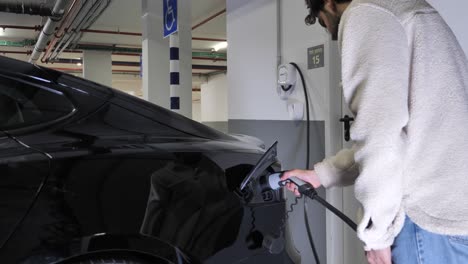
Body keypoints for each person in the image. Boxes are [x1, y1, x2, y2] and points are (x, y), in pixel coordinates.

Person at [281, 0, 468, 263]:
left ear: (328, 4)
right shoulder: (413, 11)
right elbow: (405, 134)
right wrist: (321, 175)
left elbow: (380, 136)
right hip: (454, 215)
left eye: (325, 23)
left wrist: (378, 235)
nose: (332, 34)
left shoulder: (366, 12)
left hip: (426, 221)